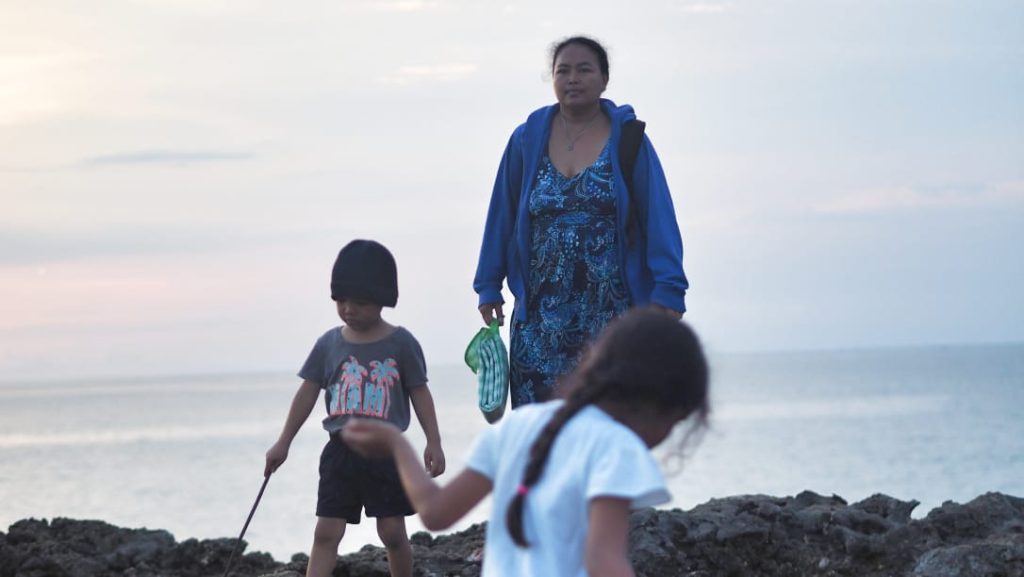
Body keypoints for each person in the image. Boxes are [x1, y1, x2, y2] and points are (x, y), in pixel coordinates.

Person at [342, 307, 710, 577]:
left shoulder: (518, 425)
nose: (665, 439)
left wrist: (397, 445)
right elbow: (603, 561)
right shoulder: (618, 447)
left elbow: (435, 512)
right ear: (658, 404)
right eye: (675, 423)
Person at [473, 36, 690, 408]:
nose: (573, 78)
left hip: (613, 322)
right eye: (563, 71)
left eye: (584, 69)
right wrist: (488, 284)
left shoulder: (630, 140)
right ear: (553, 79)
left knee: (609, 428)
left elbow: (659, 217)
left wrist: (670, 290)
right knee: (539, 440)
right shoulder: (526, 140)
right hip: (539, 326)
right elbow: (502, 215)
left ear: (604, 79)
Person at [265, 239, 446, 577]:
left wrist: (433, 441)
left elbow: (420, 393)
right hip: (340, 454)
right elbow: (307, 393)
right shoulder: (328, 345)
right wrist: (283, 442)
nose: (348, 308)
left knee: (392, 532)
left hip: (386, 454)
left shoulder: (402, 343)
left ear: (382, 301)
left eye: (360, 302)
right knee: (326, 532)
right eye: (341, 300)